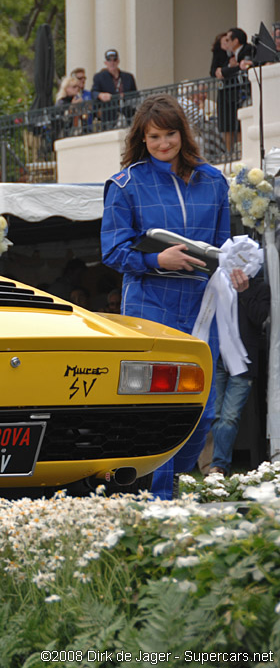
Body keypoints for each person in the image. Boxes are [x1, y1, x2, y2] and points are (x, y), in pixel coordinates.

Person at [101, 94, 242, 499]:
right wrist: (157, 259)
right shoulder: (125, 185)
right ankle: (159, 500)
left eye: (171, 134)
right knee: (158, 410)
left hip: (202, 305)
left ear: (183, 133)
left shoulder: (213, 180)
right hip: (149, 303)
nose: (164, 144)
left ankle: (171, 477)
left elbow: (221, 245)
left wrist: (235, 268)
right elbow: (113, 251)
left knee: (204, 410)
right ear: (142, 140)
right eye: (155, 136)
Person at [206, 272, 270, 475]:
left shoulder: (260, 288)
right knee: (215, 415)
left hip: (244, 361)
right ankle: (217, 465)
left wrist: (244, 292)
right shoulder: (216, 283)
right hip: (217, 358)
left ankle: (219, 465)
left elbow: (260, 318)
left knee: (230, 416)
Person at [215, 27, 254, 155]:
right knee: (228, 125)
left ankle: (241, 152)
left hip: (243, 93)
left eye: (228, 39)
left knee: (240, 124)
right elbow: (219, 71)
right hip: (230, 95)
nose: (226, 43)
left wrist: (228, 70)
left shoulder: (248, 49)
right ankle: (231, 153)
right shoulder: (231, 56)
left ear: (236, 41)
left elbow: (242, 68)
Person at [91, 49, 137, 127]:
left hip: (128, 114)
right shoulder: (99, 77)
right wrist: (100, 95)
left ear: (118, 61)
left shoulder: (128, 77)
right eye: (109, 60)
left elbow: (135, 94)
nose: (112, 63)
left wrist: (125, 96)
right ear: (105, 63)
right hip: (110, 116)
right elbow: (93, 92)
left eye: (114, 60)